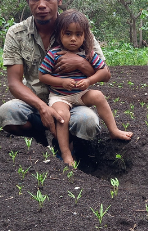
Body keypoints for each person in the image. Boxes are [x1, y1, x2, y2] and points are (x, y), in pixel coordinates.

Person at [0, 0, 107, 148]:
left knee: (88, 122)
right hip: (33, 102)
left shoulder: (78, 31)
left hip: (72, 101)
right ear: (27, 1)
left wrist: (80, 63)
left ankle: (73, 148)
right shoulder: (16, 33)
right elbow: (14, 83)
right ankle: (40, 140)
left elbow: (104, 72)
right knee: (6, 114)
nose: (41, 4)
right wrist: (42, 107)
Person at [39, 10, 133, 166]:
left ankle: (113, 130)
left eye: (78, 34)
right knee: (62, 116)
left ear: (85, 36)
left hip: (81, 94)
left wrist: (89, 81)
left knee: (98, 96)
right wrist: (61, 82)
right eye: (68, 34)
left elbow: (103, 71)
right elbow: (43, 76)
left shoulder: (88, 53)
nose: (73, 39)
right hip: (59, 96)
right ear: (59, 34)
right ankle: (66, 152)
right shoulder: (53, 54)